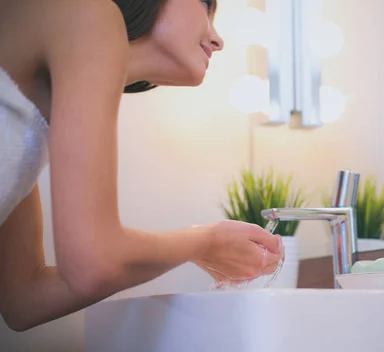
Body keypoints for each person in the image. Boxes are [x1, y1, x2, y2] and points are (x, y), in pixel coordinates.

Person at [0, 0, 283, 332]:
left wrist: (200, 246)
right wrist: (205, 242)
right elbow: (93, 264)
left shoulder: (33, 124)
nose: (218, 39)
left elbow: (25, 299)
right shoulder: (88, 11)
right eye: (206, 8)